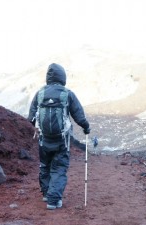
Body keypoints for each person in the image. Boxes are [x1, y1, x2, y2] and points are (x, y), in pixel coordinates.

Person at [28, 63, 90, 210]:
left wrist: (40, 128)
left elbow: (31, 118)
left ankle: (46, 193)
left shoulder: (40, 93)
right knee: (59, 168)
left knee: (45, 166)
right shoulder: (67, 93)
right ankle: (53, 201)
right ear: (63, 77)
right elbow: (79, 116)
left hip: (44, 139)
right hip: (61, 140)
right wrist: (86, 127)